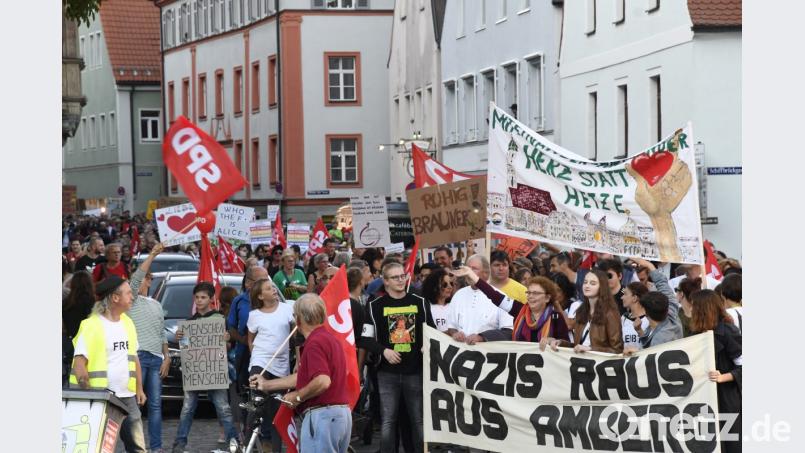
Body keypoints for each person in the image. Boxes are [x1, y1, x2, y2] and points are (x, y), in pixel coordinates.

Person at [250, 294, 352, 453]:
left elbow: (322, 380)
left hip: (323, 416)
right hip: (339, 415)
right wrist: (266, 384)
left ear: (299, 319)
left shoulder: (315, 343)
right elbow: (305, 377)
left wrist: (298, 396)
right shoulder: (328, 338)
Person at [360, 262, 435, 453]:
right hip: (387, 373)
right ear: (385, 281)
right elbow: (365, 339)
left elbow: (432, 332)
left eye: (403, 276)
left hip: (415, 371)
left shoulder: (420, 302)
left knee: (417, 421)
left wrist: (427, 343)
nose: (401, 280)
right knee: (388, 422)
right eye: (395, 277)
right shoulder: (374, 305)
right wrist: (384, 351)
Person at [69, 276, 147, 453]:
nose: (132, 297)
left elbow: (134, 358)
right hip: (102, 399)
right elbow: (79, 364)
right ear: (115, 298)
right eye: (128, 293)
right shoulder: (90, 325)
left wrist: (139, 389)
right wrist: (89, 397)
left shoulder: (128, 322)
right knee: (100, 448)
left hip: (127, 397)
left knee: (138, 448)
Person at [172, 282, 240, 452]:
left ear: (211, 299)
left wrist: (226, 340)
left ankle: (234, 443)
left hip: (215, 370)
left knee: (223, 408)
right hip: (195, 372)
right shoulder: (189, 322)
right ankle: (179, 445)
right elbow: (187, 348)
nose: (200, 300)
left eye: (203, 297)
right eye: (197, 297)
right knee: (187, 409)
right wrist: (180, 337)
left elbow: (229, 348)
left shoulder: (220, 319)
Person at [127, 243, 171, 453]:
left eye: (152, 279)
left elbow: (162, 332)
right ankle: (134, 447)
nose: (150, 281)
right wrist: (152, 254)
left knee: (155, 407)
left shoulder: (157, 304)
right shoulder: (131, 300)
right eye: (148, 278)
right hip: (138, 357)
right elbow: (136, 278)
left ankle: (156, 448)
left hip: (156, 359)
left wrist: (167, 357)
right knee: (134, 406)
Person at [454, 267, 569, 345]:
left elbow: (567, 346)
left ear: (547, 298)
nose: (530, 297)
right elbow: (494, 295)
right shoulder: (519, 310)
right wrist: (471, 274)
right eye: (528, 292)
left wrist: (555, 341)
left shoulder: (556, 318)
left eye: (536, 293)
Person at [689, 289, 742, 453]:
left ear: (702, 309)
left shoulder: (727, 332)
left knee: (731, 444)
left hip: (727, 399)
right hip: (706, 400)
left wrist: (724, 377)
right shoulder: (696, 333)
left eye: (693, 306)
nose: (690, 310)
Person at [247, 278, 295, 453]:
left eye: (273, 287)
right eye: (268, 288)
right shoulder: (254, 315)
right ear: (260, 296)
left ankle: (274, 446)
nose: (274, 289)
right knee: (258, 404)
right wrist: (256, 358)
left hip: (281, 364)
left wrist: (298, 359)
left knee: (276, 408)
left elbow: (296, 334)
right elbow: (250, 339)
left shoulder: (288, 309)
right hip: (260, 363)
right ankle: (252, 442)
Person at [548, 269, 623, 353]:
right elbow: (578, 346)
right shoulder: (581, 311)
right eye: (585, 282)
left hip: (598, 364)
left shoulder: (610, 313)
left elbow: (618, 350)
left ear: (602, 287)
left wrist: (591, 349)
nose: (587, 286)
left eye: (592, 283)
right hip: (580, 363)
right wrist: (561, 343)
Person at [445, 254, 514, 344]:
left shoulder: (500, 297)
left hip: (487, 355)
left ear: (486, 273)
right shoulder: (458, 295)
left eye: (473, 269)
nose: (468, 272)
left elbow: (508, 331)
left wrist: (482, 337)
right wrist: (455, 334)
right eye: (467, 268)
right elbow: (451, 325)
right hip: (461, 354)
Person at [228, 265, 270, 389]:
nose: (266, 284)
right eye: (261, 281)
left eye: (267, 280)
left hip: (268, 355)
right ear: (248, 283)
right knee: (245, 389)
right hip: (244, 354)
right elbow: (231, 327)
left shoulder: (274, 300)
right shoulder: (238, 301)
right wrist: (245, 341)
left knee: (265, 391)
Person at [62, 271, 95, 385]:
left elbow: (63, 327)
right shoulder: (93, 302)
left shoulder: (66, 303)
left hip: (70, 342)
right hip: (88, 343)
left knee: (70, 375)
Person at [420, 267, 454, 332]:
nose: (449, 287)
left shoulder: (454, 306)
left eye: (451, 283)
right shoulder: (426, 308)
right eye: (445, 284)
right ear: (434, 287)